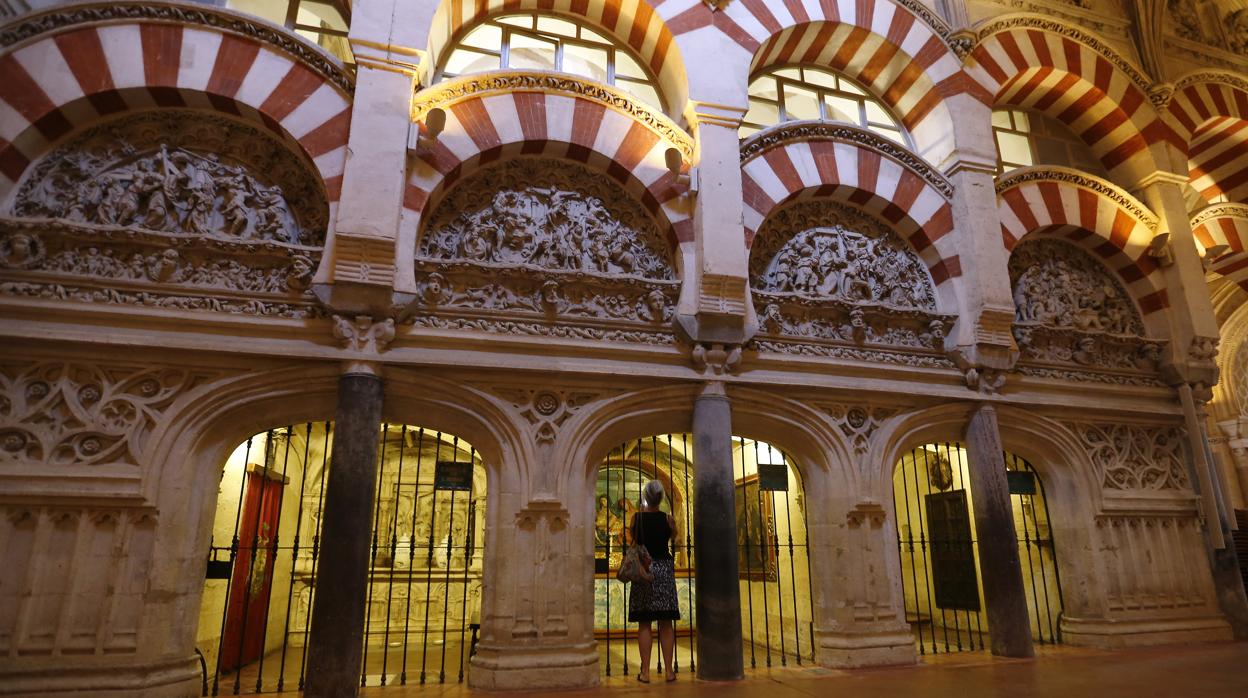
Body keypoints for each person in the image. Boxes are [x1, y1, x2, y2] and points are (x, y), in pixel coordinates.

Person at [627, 479, 680, 683]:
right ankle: (668, 671)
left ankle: (646, 673)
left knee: (644, 623)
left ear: (645, 496)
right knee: (666, 623)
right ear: (661, 497)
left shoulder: (636, 519)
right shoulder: (668, 519)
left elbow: (634, 539)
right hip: (664, 569)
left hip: (644, 568)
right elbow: (673, 537)